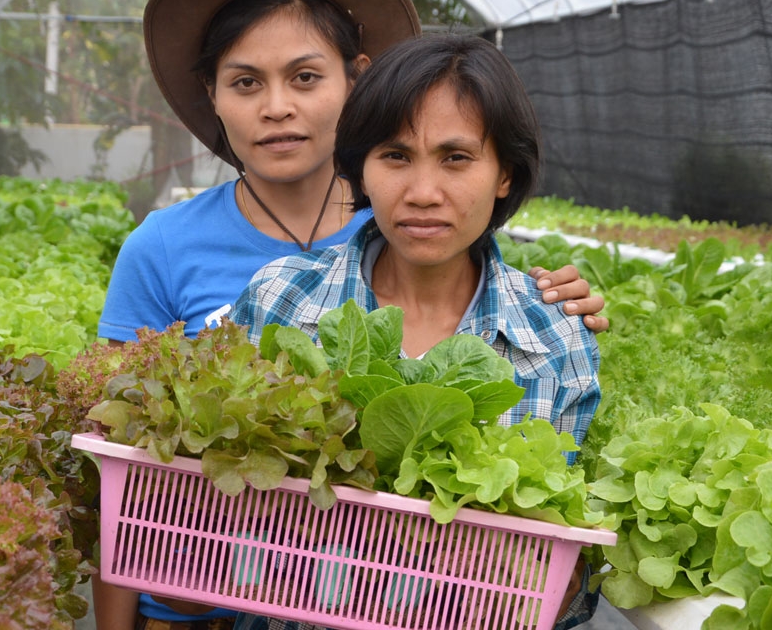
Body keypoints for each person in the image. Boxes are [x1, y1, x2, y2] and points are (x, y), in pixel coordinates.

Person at [95, 0, 605, 630]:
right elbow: (142, 474)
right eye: (245, 82)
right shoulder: (266, 292)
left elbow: (548, 564)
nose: (424, 192)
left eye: (305, 76)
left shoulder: (538, 324)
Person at [229, 33, 601, 630]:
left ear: (505, 174)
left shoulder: (555, 339)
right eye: (396, 157)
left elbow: (560, 555)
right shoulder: (282, 300)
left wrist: (548, 584)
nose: (423, 193)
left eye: (457, 158)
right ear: (361, 170)